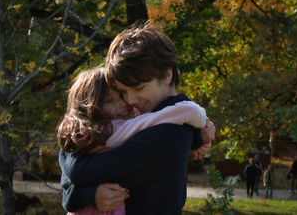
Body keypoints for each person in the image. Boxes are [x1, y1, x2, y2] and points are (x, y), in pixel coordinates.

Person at [58, 23, 215, 214]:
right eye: (124, 92)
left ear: (167, 75)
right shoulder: (155, 119)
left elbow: (80, 170)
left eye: (139, 88)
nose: (130, 101)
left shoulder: (169, 134)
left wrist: (82, 195)